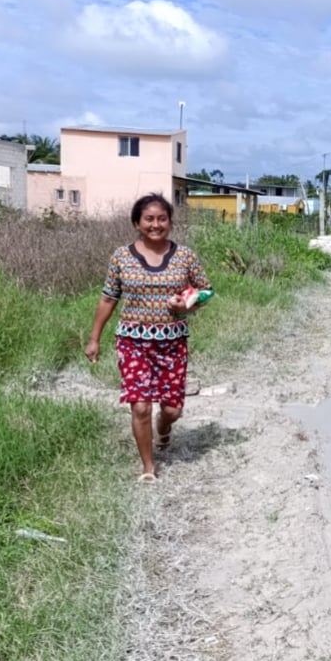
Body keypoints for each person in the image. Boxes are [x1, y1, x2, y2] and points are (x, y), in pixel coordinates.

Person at [85, 193, 211, 482]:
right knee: (140, 405)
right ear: (137, 223)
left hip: (173, 342)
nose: (156, 224)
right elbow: (108, 298)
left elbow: (205, 290)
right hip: (133, 341)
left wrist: (187, 304)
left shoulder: (185, 256)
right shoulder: (121, 257)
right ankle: (148, 468)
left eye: (162, 218)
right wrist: (94, 339)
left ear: (170, 222)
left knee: (172, 409)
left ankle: (164, 427)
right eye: (149, 219)